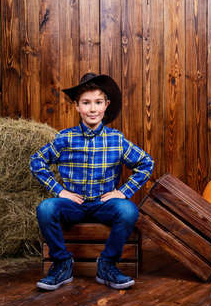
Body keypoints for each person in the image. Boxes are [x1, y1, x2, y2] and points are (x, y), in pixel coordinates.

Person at [30, 73, 154, 291]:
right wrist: (59, 191)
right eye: (86, 103)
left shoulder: (116, 139)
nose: (93, 109)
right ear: (77, 106)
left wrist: (123, 192)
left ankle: (107, 264)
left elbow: (146, 163)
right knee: (46, 208)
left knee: (128, 211)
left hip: (104, 204)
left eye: (98, 102)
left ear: (106, 105)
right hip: (73, 204)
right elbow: (36, 161)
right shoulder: (65, 138)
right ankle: (62, 263)